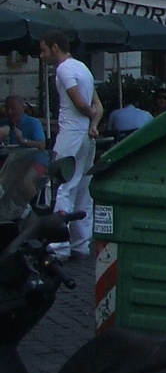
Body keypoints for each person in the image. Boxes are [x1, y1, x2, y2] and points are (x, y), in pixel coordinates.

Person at [38, 31, 100, 260]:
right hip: (85, 133)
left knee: (60, 185)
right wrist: (93, 122)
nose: (41, 55)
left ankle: (58, 247)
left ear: (55, 47)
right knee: (83, 186)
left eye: (44, 49)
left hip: (71, 132)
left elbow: (80, 101)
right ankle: (81, 244)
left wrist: (88, 113)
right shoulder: (82, 67)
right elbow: (97, 104)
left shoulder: (63, 69)